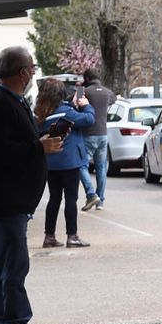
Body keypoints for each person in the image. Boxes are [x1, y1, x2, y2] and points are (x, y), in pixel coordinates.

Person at [0, 47, 58, 324]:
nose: (33, 74)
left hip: (6, 200)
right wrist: (39, 148)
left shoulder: (7, 101)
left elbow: (11, 143)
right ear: (22, 72)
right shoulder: (1, 103)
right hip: (5, 200)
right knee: (14, 267)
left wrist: (39, 141)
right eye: (32, 69)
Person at [34, 78, 95, 248]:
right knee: (71, 199)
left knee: (54, 199)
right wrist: (86, 105)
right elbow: (89, 119)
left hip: (50, 163)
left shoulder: (41, 114)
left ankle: (49, 236)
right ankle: (72, 236)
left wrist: (72, 104)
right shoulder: (66, 112)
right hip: (69, 162)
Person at [77, 69, 116, 211]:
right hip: (103, 134)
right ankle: (100, 201)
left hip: (88, 134)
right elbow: (114, 99)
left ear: (87, 78)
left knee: (81, 165)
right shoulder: (107, 92)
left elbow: (73, 102)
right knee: (101, 168)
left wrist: (81, 87)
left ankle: (91, 194)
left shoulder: (83, 91)